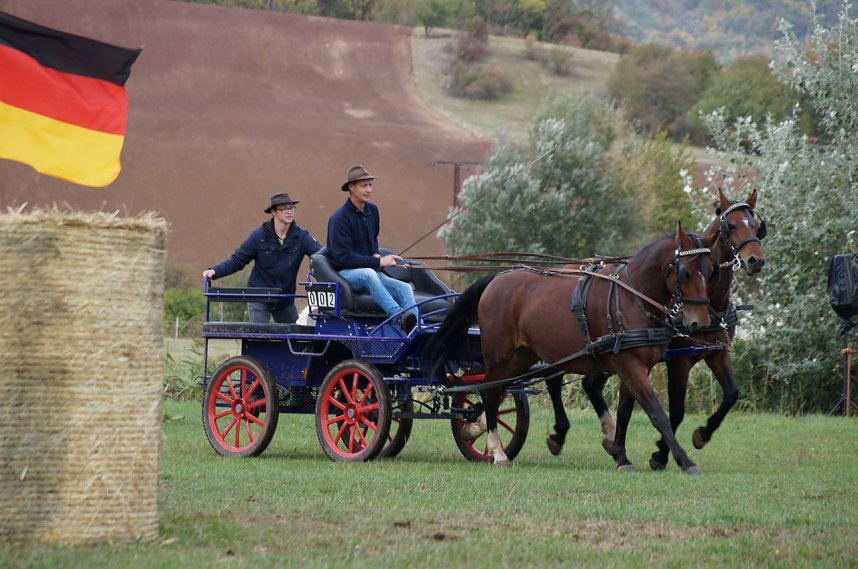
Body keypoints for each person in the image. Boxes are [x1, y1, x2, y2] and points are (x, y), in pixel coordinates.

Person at [325, 165, 418, 333]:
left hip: (370, 271)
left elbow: (373, 239)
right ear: (351, 188)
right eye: (364, 186)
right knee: (369, 274)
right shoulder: (339, 219)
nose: (369, 189)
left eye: (370, 185)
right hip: (346, 274)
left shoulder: (372, 211)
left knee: (404, 288)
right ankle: (399, 317)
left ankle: (415, 331)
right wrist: (379, 260)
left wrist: (375, 253)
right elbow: (343, 258)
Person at [203, 192, 321, 324]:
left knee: (292, 340)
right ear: (273, 212)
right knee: (259, 336)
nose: (289, 212)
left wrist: (340, 265)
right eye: (284, 209)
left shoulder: (301, 237)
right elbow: (237, 261)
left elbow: (321, 256)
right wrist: (214, 271)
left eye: (291, 208)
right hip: (259, 296)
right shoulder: (258, 236)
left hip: (285, 298)